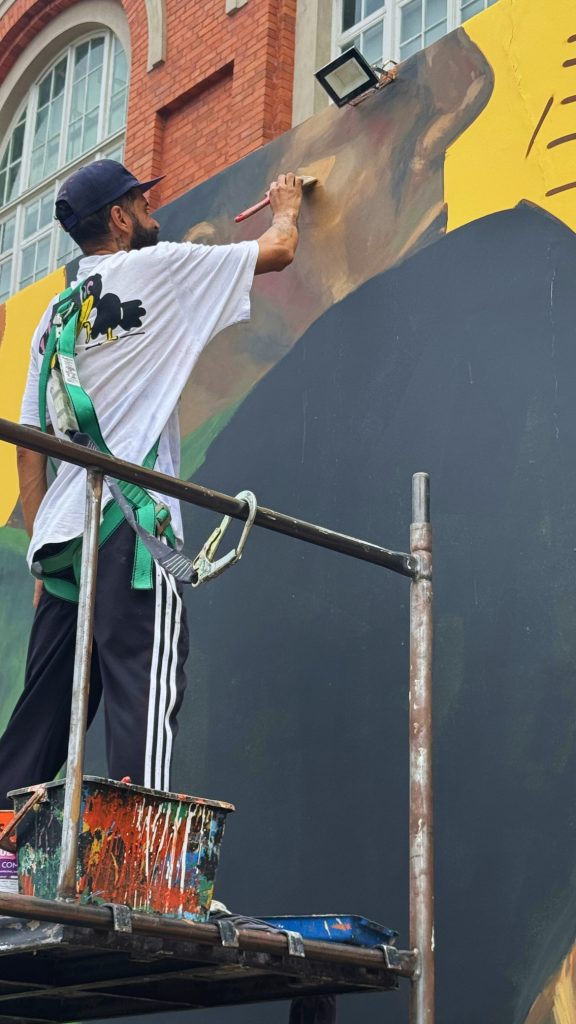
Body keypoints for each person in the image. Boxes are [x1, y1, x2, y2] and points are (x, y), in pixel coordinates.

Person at [0, 159, 302, 806]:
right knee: (143, 693)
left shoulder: (53, 315)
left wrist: (40, 552)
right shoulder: (161, 267)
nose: (152, 214)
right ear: (118, 218)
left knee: (44, 716)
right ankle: (138, 860)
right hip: (130, 532)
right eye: (141, 203)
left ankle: (2, 845)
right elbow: (277, 250)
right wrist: (286, 204)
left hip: (64, 540)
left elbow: (31, 446)